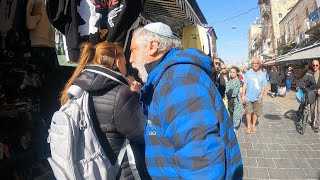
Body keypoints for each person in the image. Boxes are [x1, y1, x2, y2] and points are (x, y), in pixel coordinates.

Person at [129, 22, 243, 179]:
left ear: (152, 46)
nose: (130, 59)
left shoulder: (178, 80)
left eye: (133, 50)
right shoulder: (171, 77)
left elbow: (201, 165)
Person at [60, 42, 150, 179]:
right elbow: (144, 133)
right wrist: (137, 95)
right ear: (118, 62)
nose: (126, 67)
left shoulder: (76, 90)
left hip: (92, 170)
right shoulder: (121, 94)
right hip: (122, 173)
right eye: (125, 64)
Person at [242, 57, 267, 134]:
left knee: (256, 112)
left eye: (257, 63)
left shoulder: (262, 74)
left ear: (259, 64)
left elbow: (263, 86)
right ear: (252, 64)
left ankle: (253, 125)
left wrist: (261, 95)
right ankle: (248, 126)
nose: (255, 64)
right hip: (248, 97)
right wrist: (243, 95)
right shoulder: (248, 73)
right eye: (254, 63)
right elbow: (244, 84)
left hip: (258, 97)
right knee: (248, 112)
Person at [299, 60, 320, 132]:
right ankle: (312, 120)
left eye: (316, 65)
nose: (315, 67)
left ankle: (317, 126)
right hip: (312, 93)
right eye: (313, 65)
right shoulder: (309, 73)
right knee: (312, 109)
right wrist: (299, 85)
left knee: (319, 110)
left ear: (319, 65)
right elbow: (303, 79)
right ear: (312, 65)